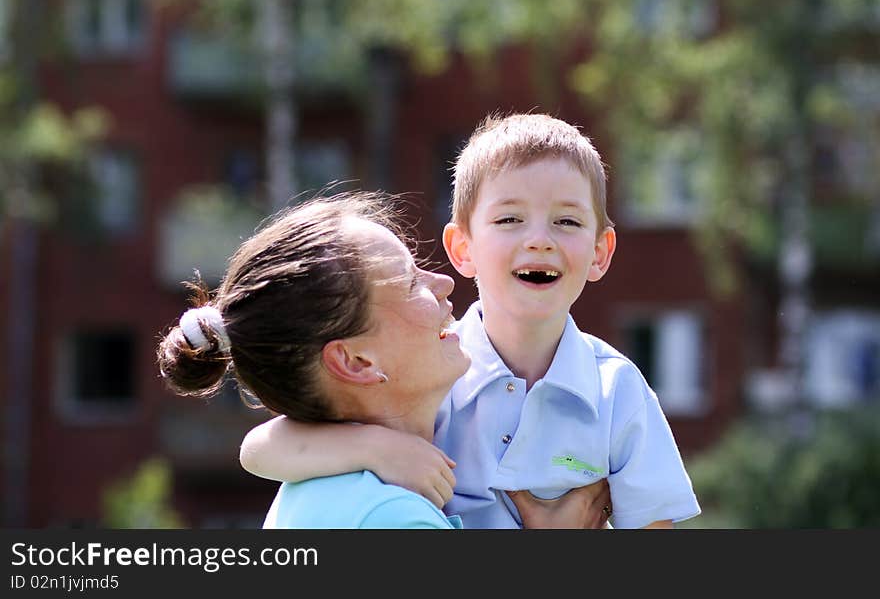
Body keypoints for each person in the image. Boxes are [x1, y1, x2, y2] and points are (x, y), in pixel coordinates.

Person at [240, 113, 700, 528]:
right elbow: (260, 449)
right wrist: (376, 449)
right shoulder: (427, 379)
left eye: (567, 222)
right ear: (463, 249)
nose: (539, 240)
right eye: (510, 219)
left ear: (600, 254)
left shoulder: (618, 392)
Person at [158, 192, 611, 529]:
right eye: (411, 282)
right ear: (356, 362)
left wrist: (369, 448)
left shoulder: (330, 483)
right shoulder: (392, 518)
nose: (444, 284)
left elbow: (260, 445)